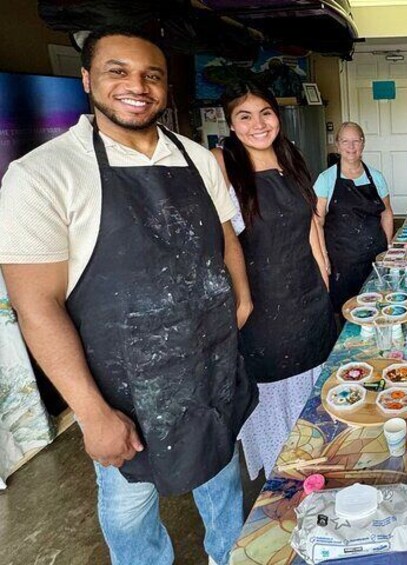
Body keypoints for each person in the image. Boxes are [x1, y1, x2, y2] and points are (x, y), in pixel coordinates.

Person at [0, 28, 257, 565]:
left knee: (222, 479)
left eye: (151, 75)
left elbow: (226, 236)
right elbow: (36, 306)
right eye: (118, 71)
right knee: (130, 509)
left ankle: (230, 555)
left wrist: (241, 299)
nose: (137, 86)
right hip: (127, 392)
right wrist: (93, 414)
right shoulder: (42, 174)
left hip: (212, 368)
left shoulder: (197, 158)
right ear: (87, 79)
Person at [212, 83, 335, 480]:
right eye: (244, 116)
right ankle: (285, 485)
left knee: (316, 403)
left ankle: (317, 474)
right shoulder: (222, 164)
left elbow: (310, 224)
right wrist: (239, 304)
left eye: (265, 112)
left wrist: (324, 276)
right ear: (231, 125)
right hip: (264, 309)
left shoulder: (290, 157)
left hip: (309, 299)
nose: (258, 124)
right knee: (277, 400)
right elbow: (220, 242)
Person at [313, 122, 394, 311]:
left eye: (356, 141)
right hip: (341, 259)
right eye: (345, 141)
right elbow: (317, 222)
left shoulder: (376, 177)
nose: (351, 146)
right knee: (347, 309)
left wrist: (388, 248)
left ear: (363, 143)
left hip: (374, 254)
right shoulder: (326, 179)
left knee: (378, 303)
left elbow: (387, 213)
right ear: (337, 145)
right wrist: (324, 257)